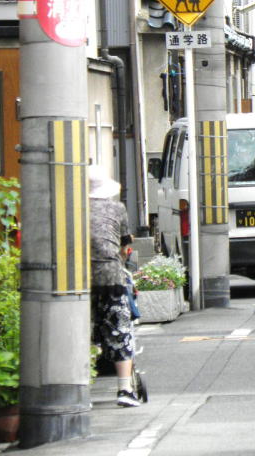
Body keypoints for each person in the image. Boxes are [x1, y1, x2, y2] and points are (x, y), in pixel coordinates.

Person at [88, 165, 141, 407]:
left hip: (78, 280)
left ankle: (79, 392)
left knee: (82, 336)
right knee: (120, 331)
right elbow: (124, 246)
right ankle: (125, 390)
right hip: (110, 276)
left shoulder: (73, 208)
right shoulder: (116, 208)